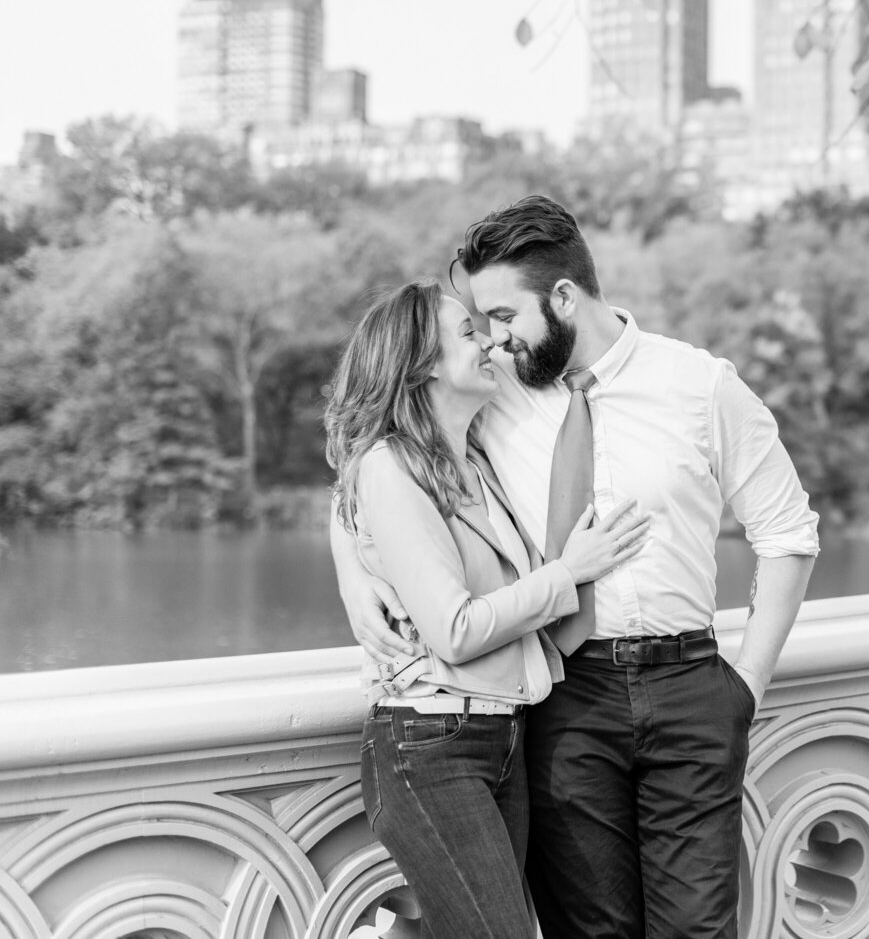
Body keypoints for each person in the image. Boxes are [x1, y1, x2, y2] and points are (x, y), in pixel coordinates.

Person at [334, 195, 820, 939]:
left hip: (690, 686)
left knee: (697, 929)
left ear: (562, 297)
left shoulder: (700, 385)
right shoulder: (497, 395)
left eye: (502, 316)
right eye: (480, 324)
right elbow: (376, 439)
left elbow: (788, 533)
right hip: (564, 696)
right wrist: (352, 568)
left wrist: (745, 686)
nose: (492, 340)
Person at [325, 278, 649, 938]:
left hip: (503, 738)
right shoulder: (393, 467)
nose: (490, 341)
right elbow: (454, 630)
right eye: (469, 333)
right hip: (429, 747)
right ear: (422, 365)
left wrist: (349, 563)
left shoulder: (471, 458)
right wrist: (569, 572)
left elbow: (345, 495)